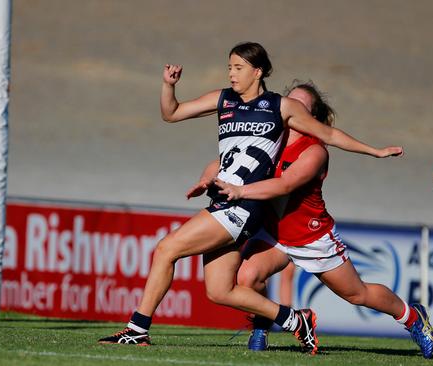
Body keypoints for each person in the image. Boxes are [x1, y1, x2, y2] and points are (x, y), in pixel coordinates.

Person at [98, 42, 402, 354]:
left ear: (258, 72)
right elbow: (171, 113)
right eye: (229, 67)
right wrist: (168, 85)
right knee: (220, 291)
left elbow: (330, 135)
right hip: (224, 201)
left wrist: (375, 151)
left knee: (166, 249)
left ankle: (137, 329)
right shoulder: (223, 99)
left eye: (238, 68)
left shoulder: (280, 107)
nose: (231, 73)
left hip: (242, 206)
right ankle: (296, 320)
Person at [213, 80, 433, 359]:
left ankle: (413, 317)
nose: (291, 108)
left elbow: (284, 185)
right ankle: (261, 328)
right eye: (288, 100)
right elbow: (229, 158)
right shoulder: (270, 136)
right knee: (247, 276)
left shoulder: (314, 151)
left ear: (312, 117)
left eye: (301, 105)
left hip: (311, 237)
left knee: (358, 294)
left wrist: (241, 190)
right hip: (275, 233)